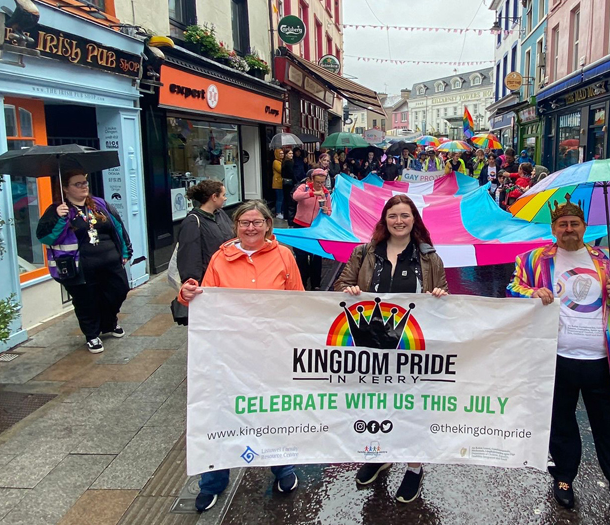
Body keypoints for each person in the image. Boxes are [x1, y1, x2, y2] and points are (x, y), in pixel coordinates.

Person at [507, 195, 610, 525]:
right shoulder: (533, 260)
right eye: (562, 224)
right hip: (555, 356)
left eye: (575, 224)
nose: (569, 229)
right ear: (554, 228)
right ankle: (564, 476)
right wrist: (532, 293)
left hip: (606, 360)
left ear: (585, 227)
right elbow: (513, 288)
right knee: (560, 423)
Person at [179, 200, 304, 511]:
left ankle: (282, 467)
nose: (251, 228)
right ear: (235, 227)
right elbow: (206, 301)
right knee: (223, 412)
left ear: (267, 226)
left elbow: (299, 302)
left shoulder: (283, 256)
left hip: (272, 351)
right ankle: (214, 481)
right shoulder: (221, 259)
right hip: (230, 354)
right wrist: (186, 295)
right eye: (244, 223)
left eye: (257, 222)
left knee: (274, 409)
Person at [334, 194, 448, 504]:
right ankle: (378, 455)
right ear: (385, 220)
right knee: (374, 404)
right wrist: (349, 290)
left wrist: (438, 293)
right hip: (370, 349)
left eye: (405, 215)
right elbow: (340, 287)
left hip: (411, 349)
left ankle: (413, 467)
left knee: (412, 407)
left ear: (414, 220)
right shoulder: (364, 253)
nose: (399, 221)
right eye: (393, 215)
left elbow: (445, 298)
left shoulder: (429, 257)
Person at [37, 171, 132, 353]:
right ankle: (92, 335)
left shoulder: (100, 205)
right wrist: (59, 218)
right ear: (65, 188)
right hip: (80, 268)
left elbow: (118, 227)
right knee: (86, 301)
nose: (84, 186)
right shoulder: (58, 210)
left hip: (110, 262)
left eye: (85, 182)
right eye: (77, 184)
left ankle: (110, 322)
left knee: (119, 291)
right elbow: (47, 238)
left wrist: (126, 250)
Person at [292, 168, 332, 290]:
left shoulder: (326, 193)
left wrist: (327, 211)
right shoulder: (304, 188)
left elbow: (329, 211)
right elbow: (295, 196)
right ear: (312, 180)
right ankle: (302, 281)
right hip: (300, 225)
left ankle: (316, 284)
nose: (320, 185)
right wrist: (312, 193)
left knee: (316, 256)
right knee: (301, 256)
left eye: (322, 182)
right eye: (318, 182)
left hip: (316, 228)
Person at [272, 149, 285, 219]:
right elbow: (280, 170)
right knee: (279, 198)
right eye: (280, 153)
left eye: (282, 153)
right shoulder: (276, 162)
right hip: (277, 182)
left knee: (282, 198)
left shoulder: (282, 161)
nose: (282, 155)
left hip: (282, 182)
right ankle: (278, 212)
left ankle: (281, 211)